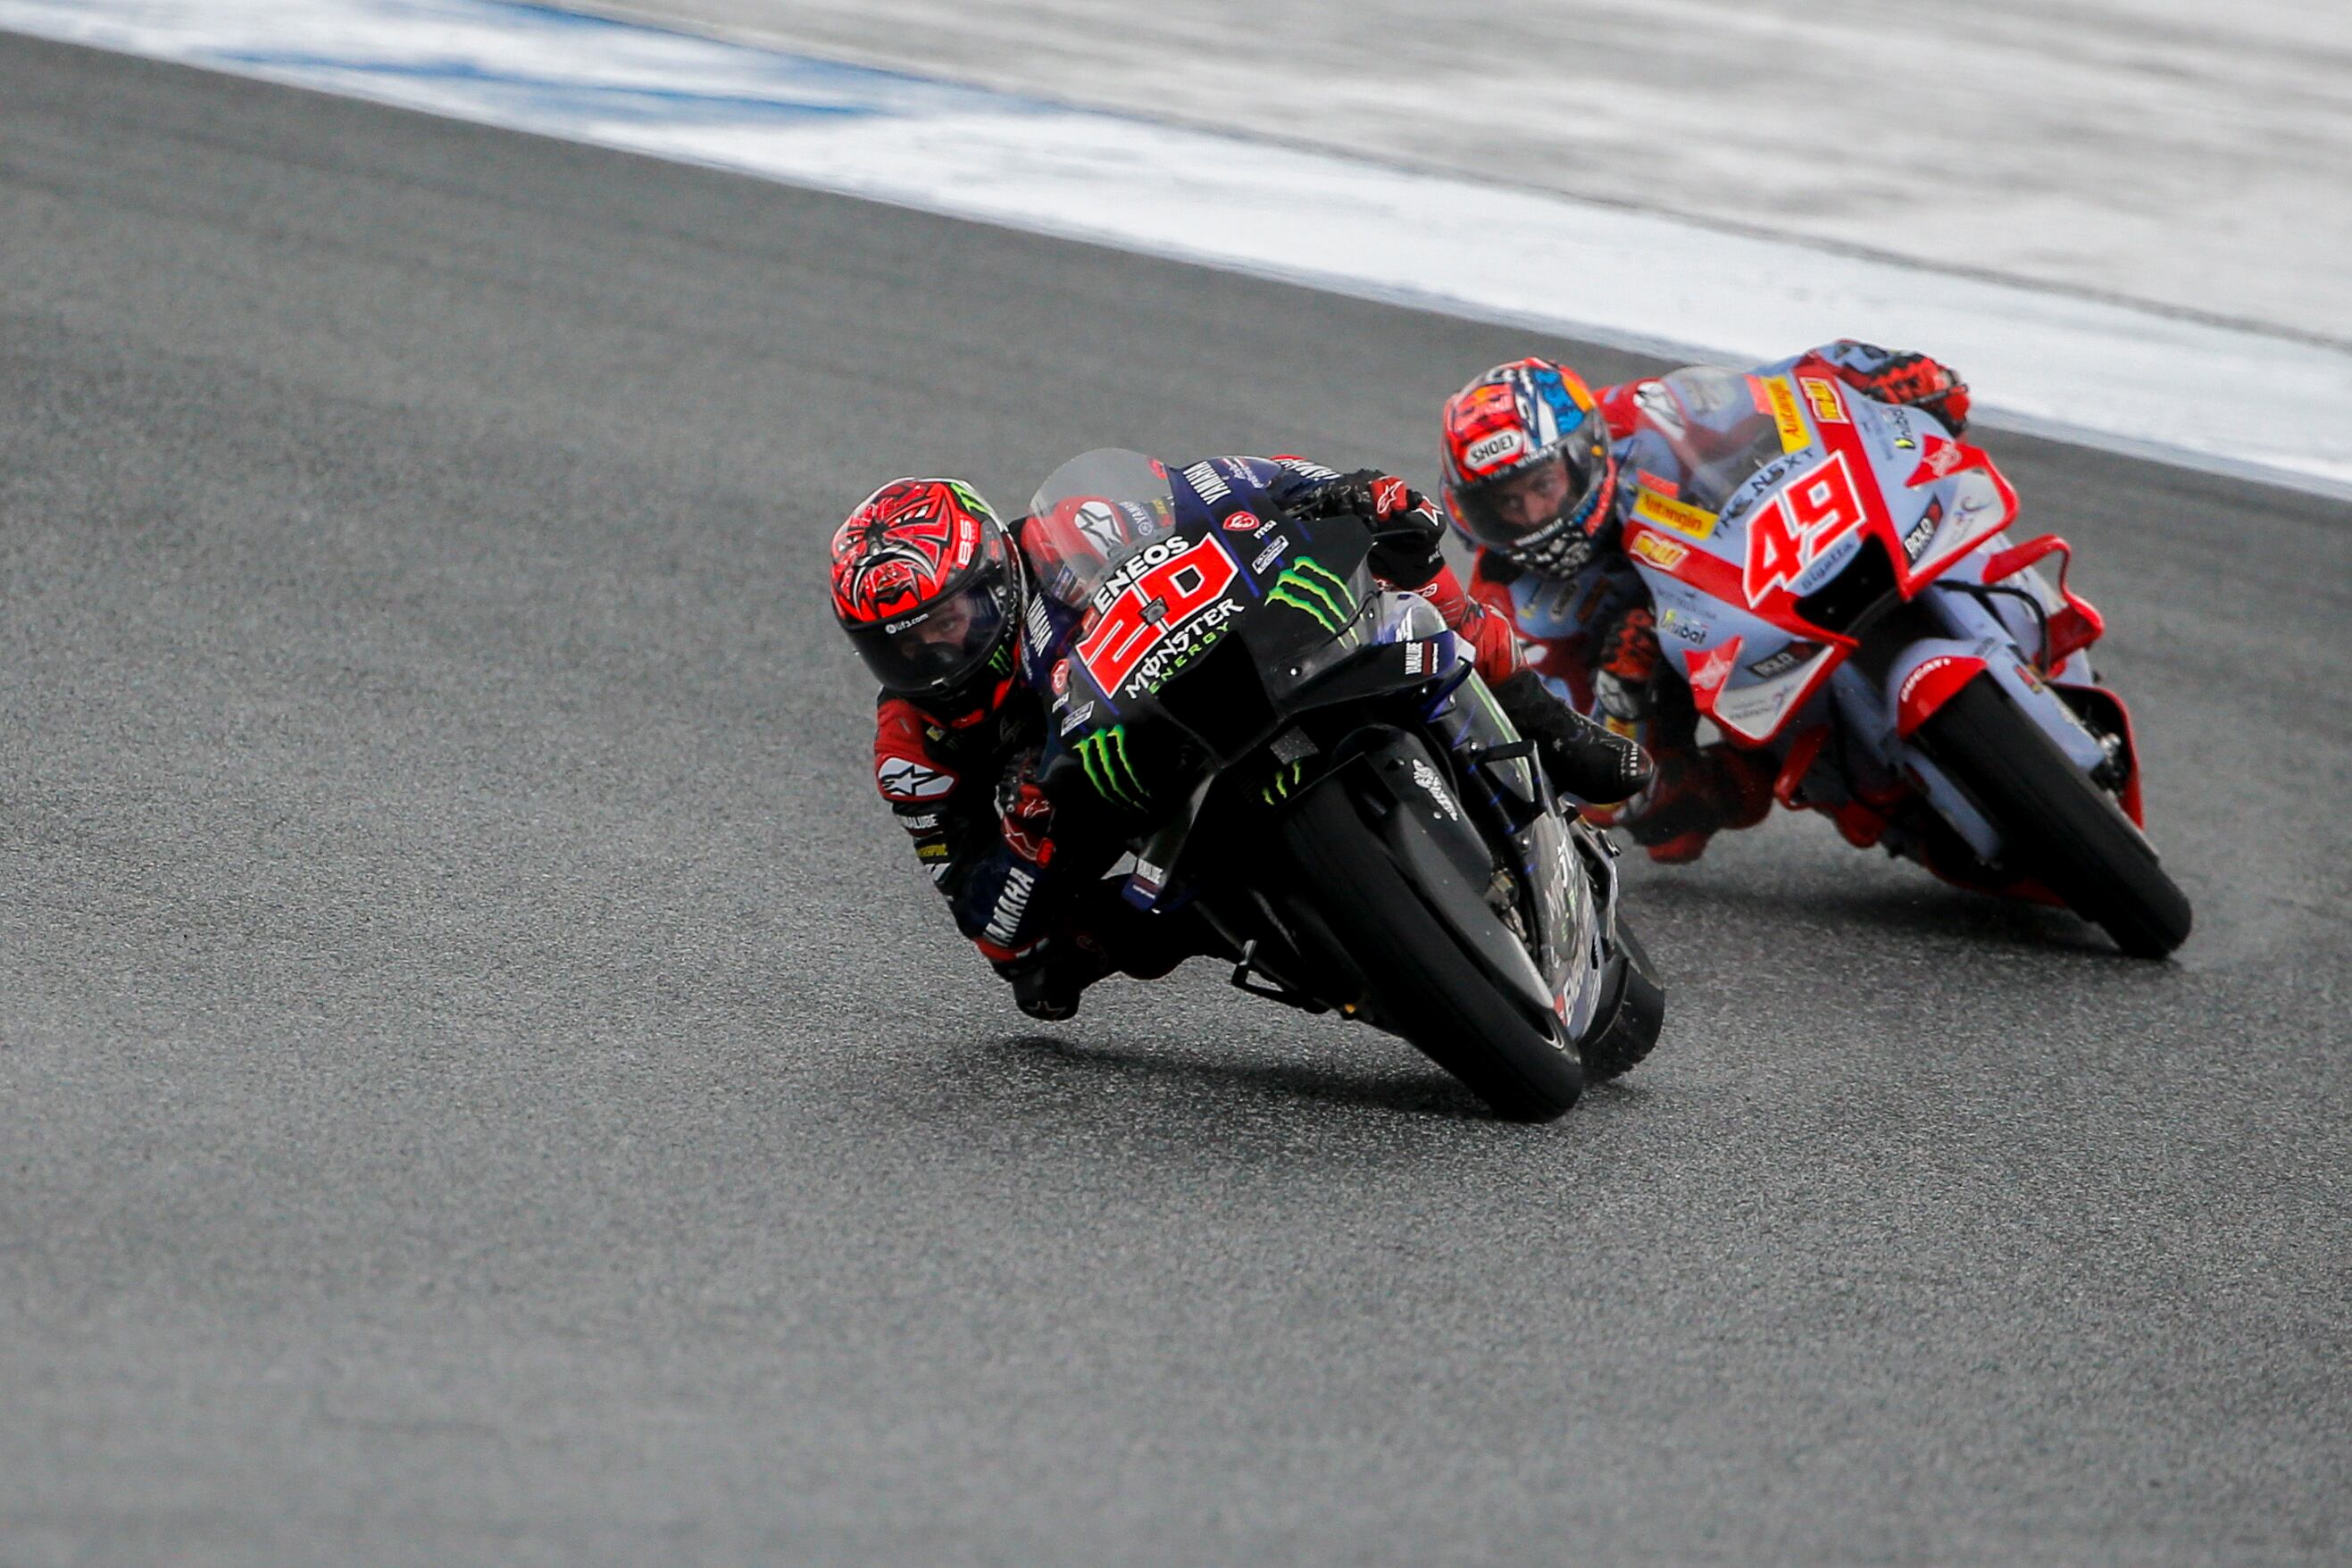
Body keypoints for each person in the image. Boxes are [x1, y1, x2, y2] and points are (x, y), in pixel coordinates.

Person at [830, 457, 1651, 1019]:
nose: (935, 654)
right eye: (899, 647)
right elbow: (991, 931)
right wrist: (1023, 840)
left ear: (995, 573)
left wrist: (1347, 493)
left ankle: (1550, 726)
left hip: (1221, 663)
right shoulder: (914, 750)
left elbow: (1224, 483)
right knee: (1045, 970)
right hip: (1114, 799)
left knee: (1415, 579)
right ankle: (1243, 928)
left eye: (947, 621)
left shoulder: (1072, 531)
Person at [1439, 342, 1971, 863]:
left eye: (1543, 484)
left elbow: (1786, 388)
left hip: (1781, 554)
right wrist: (1620, 698)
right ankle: (1806, 767)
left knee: (1928, 477)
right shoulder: (1512, 605)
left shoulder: (1644, 415)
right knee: (1665, 826)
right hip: (1707, 665)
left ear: (1584, 456)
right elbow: (1576, 770)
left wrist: (1882, 375)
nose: (1532, 514)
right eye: (1507, 502)